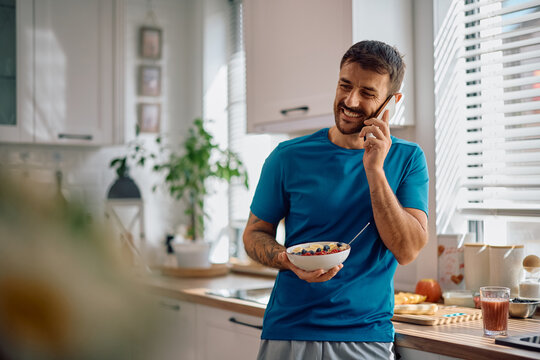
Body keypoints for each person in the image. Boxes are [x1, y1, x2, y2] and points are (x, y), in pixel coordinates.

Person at [243, 40, 429, 360]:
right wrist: (289, 261)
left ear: (392, 102)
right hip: (289, 330)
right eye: (345, 85)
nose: (350, 100)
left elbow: (408, 249)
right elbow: (253, 234)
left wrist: (374, 170)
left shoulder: (408, 159)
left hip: (365, 336)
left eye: (368, 93)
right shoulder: (288, 157)